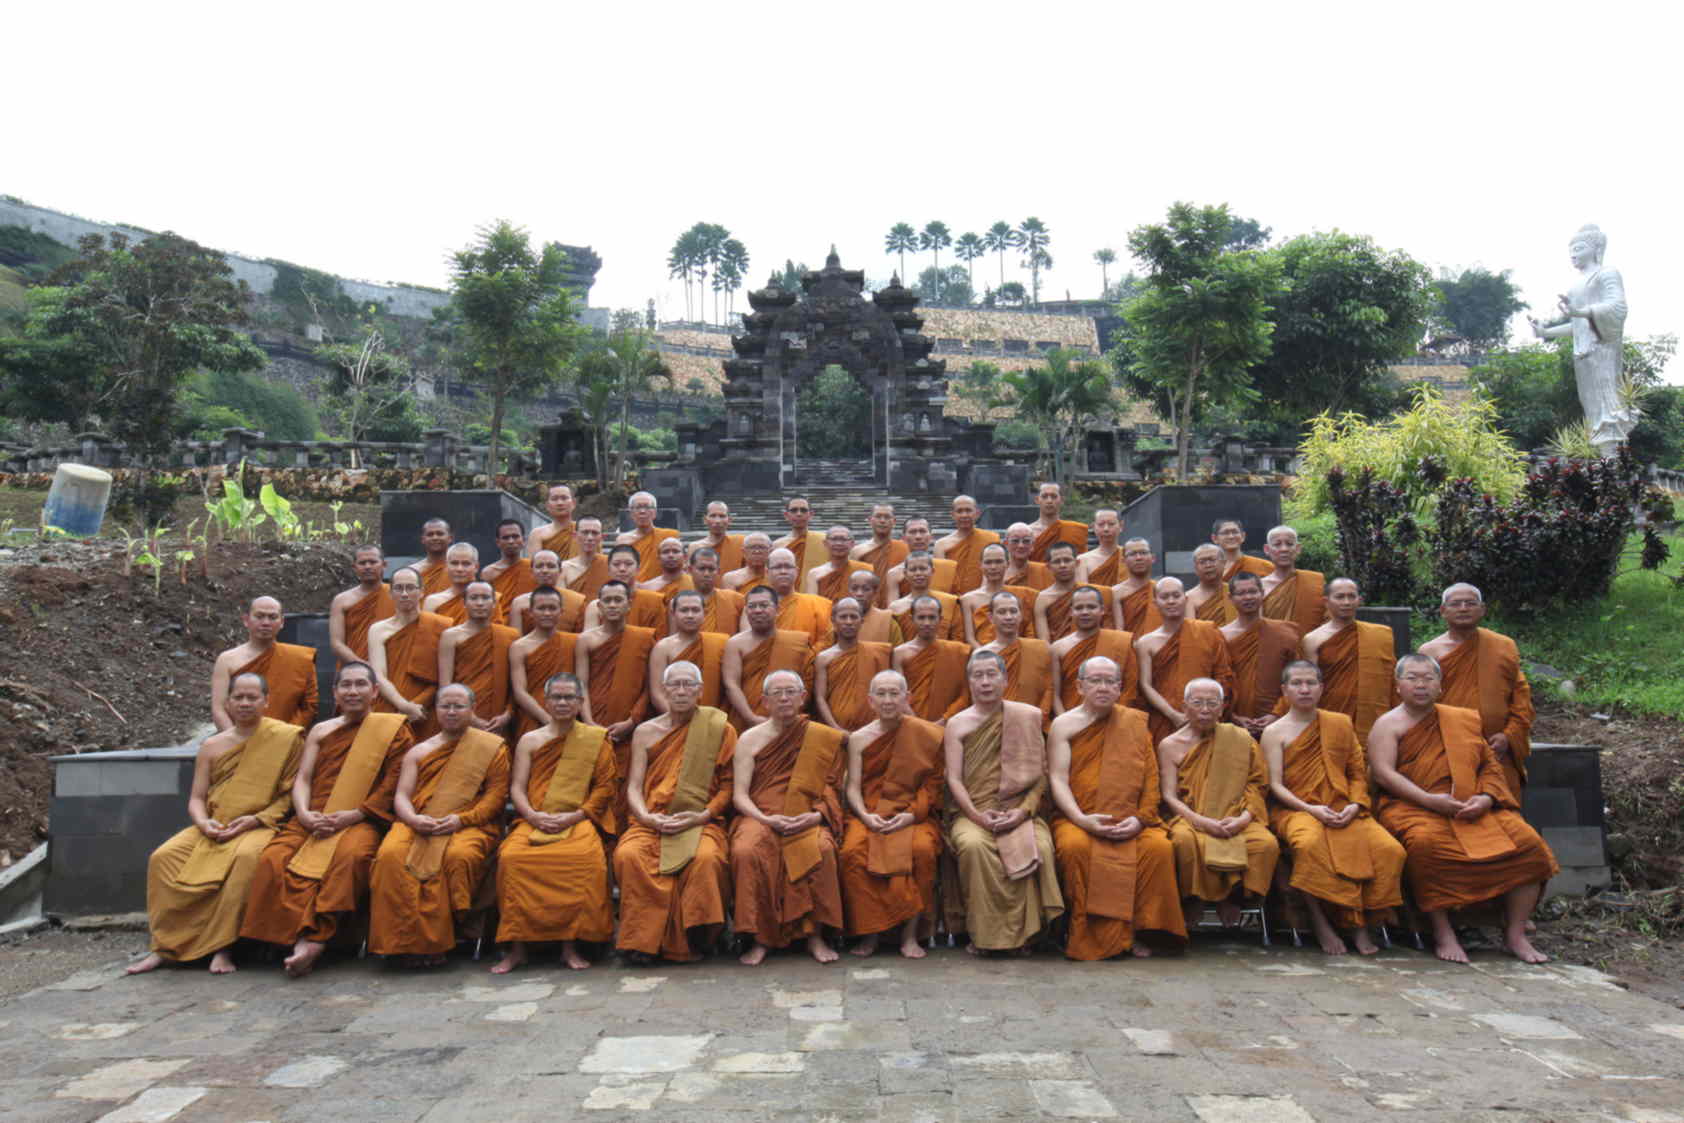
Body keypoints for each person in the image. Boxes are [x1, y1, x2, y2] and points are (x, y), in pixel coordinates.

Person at [1369, 654, 1558, 964]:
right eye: (1413, 678)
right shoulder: (1388, 724)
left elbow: (1488, 766)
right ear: (1398, 685)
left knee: (1529, 846)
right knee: (1424, 847)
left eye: (1428, 678)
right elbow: (1383, 774)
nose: (1421, 684)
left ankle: (1515, 934)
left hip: (1470, 805)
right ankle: (1443, 931)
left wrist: (1484, 799)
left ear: (1440, 686)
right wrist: (1430, 801)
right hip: (1413, 806)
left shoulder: (1462, 719)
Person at [238, 662, 413, 977]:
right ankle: (282, 938)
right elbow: (302, 779)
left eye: (361, 684)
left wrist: (356, 814)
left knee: (352, 856)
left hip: (362, 817)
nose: (353, 691)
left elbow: (393, 784)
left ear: (375, 692)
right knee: (274, 859)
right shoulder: (321, 730)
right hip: (313, 815)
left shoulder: (392, 730)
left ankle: (317, 937)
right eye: (345, 685)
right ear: (335, 692)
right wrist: (304, 813)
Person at [128, 673, 304, 975]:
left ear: (266, 701)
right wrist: (204, 823)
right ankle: (164, 946)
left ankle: (222, 948)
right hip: (214, 824)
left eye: (252, 698)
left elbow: (289, 798)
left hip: (259, 825)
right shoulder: (212, 746)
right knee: (163, 858)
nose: (245, 703)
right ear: (227, 702)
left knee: (246, 859)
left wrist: (255, 819)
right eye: (239, 697)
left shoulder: (285, 737)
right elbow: (196, 798)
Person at [1261, 660, 1406, 956]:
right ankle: (1321, 923)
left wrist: (1355, 805)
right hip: (1296, 811)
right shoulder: (1274, 732)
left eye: (1310, 683)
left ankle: (1362, 921)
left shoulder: (1339, 723)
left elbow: (1356, 772)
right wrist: (1311, 810)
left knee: (1391, 851)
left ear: (1321, 688)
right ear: (1284, 690)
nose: (1304, 689)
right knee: (1310, 846)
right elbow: (1275, 786)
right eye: (1297, 684)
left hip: (1346, 807)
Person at [1047, 656, 1185, 960]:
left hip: (1131, 819)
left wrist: (1140, 819)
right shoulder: (1064, 724)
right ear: (1080, 686)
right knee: (1074, 848)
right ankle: (1088, 933)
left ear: (1120, 687)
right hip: (1079, 817)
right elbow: (1057, 779)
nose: (1103, 687)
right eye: (1095, 680)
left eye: (1110, 681)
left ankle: (1137, 931)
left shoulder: (1135, 722)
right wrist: (1081, 819)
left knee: (1158, 849)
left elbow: (1151, 778)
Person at [368, 683, 510, 967]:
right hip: (417, 822)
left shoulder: (489, 747)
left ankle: (438, 940)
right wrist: (412, 819)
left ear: (473, 710)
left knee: (459, 856)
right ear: (436, 711)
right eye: (445, 706)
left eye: (459, 706)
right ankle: (400, 944)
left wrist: (461, 819)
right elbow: (402, 796)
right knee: (390, 856)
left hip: (470, 824)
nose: (452, 712)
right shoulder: (419, 751)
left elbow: (495, 798)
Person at [491, 673, 616, 973]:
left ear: (580, 702)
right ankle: (517, 947)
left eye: (569, 697)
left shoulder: (594, 738)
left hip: (577, 818)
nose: (562, 703)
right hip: (535, 819)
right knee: (511, 858)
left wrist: (576, 815)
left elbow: (604, 788)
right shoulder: (530, 740)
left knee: (586, 859)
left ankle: (569, 946)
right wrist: (532, 816)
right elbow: (517, 788)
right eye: (557, 698)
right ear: (546, 702)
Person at [615, 663, 738, 963]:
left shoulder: (718, 727)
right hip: (651, 821)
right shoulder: (646, 731)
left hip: (699, 821)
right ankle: (643, 943)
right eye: (675, 685)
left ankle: (698, 939)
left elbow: (727, 786)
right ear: (664, 689)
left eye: (688, 685)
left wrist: (702, 816)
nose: (681, 691)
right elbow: (633, 786)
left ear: (700, 690)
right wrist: (646, 817)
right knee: (628, 856)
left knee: (706, 859)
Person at [942, 651, 1063, 954]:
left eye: (991, 674)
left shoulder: (1026, 716)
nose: (985, 682)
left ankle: (1028, 936)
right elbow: (954, 780)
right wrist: (977, 816)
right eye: (978, 675)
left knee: (1041, 846)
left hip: (1020, 811)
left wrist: (1022, 813)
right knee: (973, 846)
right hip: (974, 813)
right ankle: (986, 938)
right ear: (969, 681)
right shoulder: (957, 724)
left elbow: (1040, 776)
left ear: (1004, 679)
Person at [730, 670, 846, 965]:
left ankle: (815, 936)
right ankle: (760, 939)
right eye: (777, 693)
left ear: (803, 698)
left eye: (791, 692)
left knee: (822, 849)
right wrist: (765, 820)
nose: (784, 698)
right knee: (747, 850)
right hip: (760, 815)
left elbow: (832, 789)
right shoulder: (749, 739)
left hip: (807, 815)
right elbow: (740, 795)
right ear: (764, 701)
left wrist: (816, 817)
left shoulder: (821, 737)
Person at [1157, 678, 1279, 930]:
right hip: (1191, 816)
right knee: (1184, 842)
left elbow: (1257, 785)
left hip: (1237, 815)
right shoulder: (1169, 745)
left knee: (1265, 844)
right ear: (1184, 706)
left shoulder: (1240, 738)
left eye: (1212, 703)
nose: (1205, 709)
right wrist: (1201, 821)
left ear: (1222, 708)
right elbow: (1169, 796)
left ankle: (1233, 899)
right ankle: (1196, 899)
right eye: (1198, 702)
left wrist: (1244, 818)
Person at [840, 670, 944, 958]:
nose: (888, 700)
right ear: (870, 701)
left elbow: (932, 786)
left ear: (907, 698)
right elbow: (853, 787)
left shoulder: (926, 734)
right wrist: (864, 815)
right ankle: (869, 934)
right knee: (852, 852)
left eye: (894, 693)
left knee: (921, 850)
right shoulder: (860, 739)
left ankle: (910, 936)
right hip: (870, 812)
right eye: (881, 694)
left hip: (913, 813)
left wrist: (911, 815)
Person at [1418, 583, 1534, 796]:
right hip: (1448, 746)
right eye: (1456, 604)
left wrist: (1508, 736)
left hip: (1497, 747)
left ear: (1482, 609)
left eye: (1470, 603)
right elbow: (1419, 702)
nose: (1463, 608)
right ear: (1443, 611)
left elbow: (1521, 698)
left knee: (1503, 810)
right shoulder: (1430, 651)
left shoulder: (1503, 646)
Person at [1529, 223, 1634, 456]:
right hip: (1583, 354)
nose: (1573, 253)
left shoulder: (1607, 273)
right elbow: (1578, 325)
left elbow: (1618, 307)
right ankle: (1606, 465)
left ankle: (1613, 464)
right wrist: (1546, 332)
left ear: (1596, 247)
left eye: (1579, 247)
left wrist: (1582, 311)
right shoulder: (1577, 282)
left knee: (1609, 407)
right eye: (1571, 249)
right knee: (1593, 409)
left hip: (1601, 349)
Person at [576, 581, 656, 819]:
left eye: (618, 600)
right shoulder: (586, 640)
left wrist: (632, 721)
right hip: (593, 725)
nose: (612, 605)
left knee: (626, 784)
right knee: (594, 782)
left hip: (631, 728)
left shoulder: (643, 638)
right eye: (607, 600)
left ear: (628, 605)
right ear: (599, 606)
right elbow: (580, 684)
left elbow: (649, 687)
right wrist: (589, 722)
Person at [1135, 578, 1236, 743]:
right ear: (1155, 603)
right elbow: (1145, 685)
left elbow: (1222, 675)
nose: (1171, 601)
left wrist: (1208, 711)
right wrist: (1173, 715)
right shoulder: (1145, 643)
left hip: (1206, 716)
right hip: (1164, 718)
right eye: (1165, 597)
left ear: (1186, 599)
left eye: (1176, 595)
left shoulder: (1207, 631)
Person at [1300, 577, 1396, 745]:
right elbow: (1310, 684)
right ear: (1326, 601)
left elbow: (1391, 680)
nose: (1346, 602)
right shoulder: (1313, 640)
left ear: (1359, 600)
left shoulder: (1379, 635)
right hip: (1332, 714)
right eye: (1340, 597)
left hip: (1374, 718)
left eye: (1351, 596)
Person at [210, 596, 317, 730]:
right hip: (240, 742)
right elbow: (219, 709)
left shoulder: (300, 658)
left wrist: (286, 737)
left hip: (287, 740)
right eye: (259, 616)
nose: (266, 622)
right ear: (246, 620)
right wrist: (237, 742)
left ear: (282, 622)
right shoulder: (227, 660)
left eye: (272, 617)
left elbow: (309, 706)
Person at [368, 568, 451, 738]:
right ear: (390, 593)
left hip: (427, 710)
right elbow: (378, 675)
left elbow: (444, 676)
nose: (405, 594)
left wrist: (418, 704)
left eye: (410, 587)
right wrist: (404, 706)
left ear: (422, 592)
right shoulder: (378, 630)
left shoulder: (439, 626)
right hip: (390, 705)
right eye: (399, 588)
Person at [945, 591, 1055, 719]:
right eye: (1002, 612)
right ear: (990, 617)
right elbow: (974, 695)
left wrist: (1039, 718)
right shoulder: (981, 654)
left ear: (1021, 615)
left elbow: (1049, 689)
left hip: (1032, 721)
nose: (1008, 617)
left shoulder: (1040, 648)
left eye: (1013, 611)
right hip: (992, 724)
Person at [722, 586, 815, 732]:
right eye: (752, 606)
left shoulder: (796, 643)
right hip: (745, 721)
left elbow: (807, 684)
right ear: (746, 611)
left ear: (778, 610)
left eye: (764, 605)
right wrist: (751, 718)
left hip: (789, 722)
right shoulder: (735, 644)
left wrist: (787, 716)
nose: (758, 610)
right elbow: (731, 683)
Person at [1220, 571, 1300, 738]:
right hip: (1232, 725)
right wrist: (1232, 716)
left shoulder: (1285, 633)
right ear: (1230, 598)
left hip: (1279, 722)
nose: (1248, 597)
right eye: (1241, 593)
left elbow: (1297, 679)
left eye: (1253, 592)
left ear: (1262, 593)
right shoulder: (1221, 636)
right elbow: (1218, 681)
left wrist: (1276, 714)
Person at [437, 581, 517, 735]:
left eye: (485, 598)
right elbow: (445, 685)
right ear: (464, 603)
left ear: (494, 603)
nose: (480, 603)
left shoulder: (510, 636)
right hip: (460, 715)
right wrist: (471, 718)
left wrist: (508, 715)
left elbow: (514, 684)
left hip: (499, 719)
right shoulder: (450, 636)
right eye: (474, 598)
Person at [1050, 586, 1137, 714]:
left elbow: (1129, 689)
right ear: (1071, 612)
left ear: (1102, 610)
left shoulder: (1120, 641)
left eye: (1091, 607)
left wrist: (1116, 719)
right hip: (1073, 719)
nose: (1085, 612)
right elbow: (1054, 694)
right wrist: (1066, 722)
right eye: (1079, 608)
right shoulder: (1058, 648)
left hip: (1114, 719)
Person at [814, 597, 893, 732]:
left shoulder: (877, 654)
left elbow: (885, 692)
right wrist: (836, 729)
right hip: (836, 730)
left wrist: (875, 727)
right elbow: (820, 697)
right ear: (833, 621)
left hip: (872, 729)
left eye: (853, 617)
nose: (848, 622)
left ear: (862, 621)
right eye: (843, 617)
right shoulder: (823, 658)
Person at [509, 587, 579, 739]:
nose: (547, 613)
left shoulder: (573, 642)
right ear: (531, 612)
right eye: (541, 608)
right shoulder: (519, 647)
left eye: (552, 608)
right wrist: (547, 719)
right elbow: (520, 691)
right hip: (532, 717)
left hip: (568, 716)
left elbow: (581, 684)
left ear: (561, 612)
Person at [893, 595, 971, 723]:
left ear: (940, 619)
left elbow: (965, 695)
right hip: (910, 724)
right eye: (921, 618)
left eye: (932, 617)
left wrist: (943, 721)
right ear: (911, 619)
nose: (927, 623)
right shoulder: (899, 653)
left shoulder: (957, 652)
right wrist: (920, 726)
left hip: (948, 724)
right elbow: (899, 694)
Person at [649, 588, 727, 712]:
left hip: (710, 719)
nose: (690, 615)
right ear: (673, 614)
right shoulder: (663, 648)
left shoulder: (720, 643)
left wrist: (707, 719)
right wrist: (679, 718)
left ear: (704, 613)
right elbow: (657, 694)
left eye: (695, 610)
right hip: (673, 720)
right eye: (684, 610)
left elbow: (726, 690)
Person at [328, 546, 394, 665]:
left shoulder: (396, 596)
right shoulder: (341, 600)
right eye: (362, 563)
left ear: (384, 565)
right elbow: (336, 643)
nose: (368, 566)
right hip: (352, 670)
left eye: (373, 562)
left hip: (391, 665)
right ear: (354, 567)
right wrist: (362, 665)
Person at [1035, 541, 1113, 642]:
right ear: (1049, 567)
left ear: (1077, 563)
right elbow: (1044, 641)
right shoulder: (1043, 599)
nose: (1063, 565)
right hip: (1060, 653)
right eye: (1057, 561)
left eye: (1067, 560)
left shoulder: (1096, 593)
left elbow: (1107, 631)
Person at [758, 546, 834, 648]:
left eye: (788, 567)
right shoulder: (756, 606)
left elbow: (827, 640)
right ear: (767, 573)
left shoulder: (819, 605)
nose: (783, 571)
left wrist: (805, 655)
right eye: (777, 567)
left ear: (796, 572)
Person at [960, 542, 1036, 645]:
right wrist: (985, 654)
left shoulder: (1022, 595)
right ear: (981, 566)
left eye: (998, 562)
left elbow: (1029, 633)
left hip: (1015, 654)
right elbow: (970, 638)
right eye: (988, 562)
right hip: (982, 656)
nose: (993, 567)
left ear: (1008, 564)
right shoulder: (968, 599)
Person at [584, 544, 667, 632]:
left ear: (638, 568)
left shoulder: (653, 602)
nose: (622, 569)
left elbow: (660, 639)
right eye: (616, 564)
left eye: (628, 564)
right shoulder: (596, 606)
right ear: (608, 569)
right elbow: (589, 641)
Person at [1260, 526, 1325, 637]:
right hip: (1272, 649)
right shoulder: (1259, 586)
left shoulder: (1314, 581)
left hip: (1309, 649)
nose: (1284, 549)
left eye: (1289, 544)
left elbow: (1328, 619)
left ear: (1298, 548)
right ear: (1267, 549)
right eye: (1277, 544)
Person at [887, 550, 963, 642]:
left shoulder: (949, 602)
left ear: (932, 571)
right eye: (913, 569)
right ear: (905, 574)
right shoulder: (896, 608)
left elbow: (958, 639)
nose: (918, 573)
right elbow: (894, 642)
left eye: (923, 569)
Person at [505, 550, 585, 636]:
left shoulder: (576, 601)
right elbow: (516, 640)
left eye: (551, 566)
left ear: (560, 571)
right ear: (531, 571)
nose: (545, 571)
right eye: (539, 566)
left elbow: (580, 639)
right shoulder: (519, 603)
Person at [426, 543, 505, 627]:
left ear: (476, 567)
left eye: (466, 564)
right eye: (454, 563)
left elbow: (496, 634)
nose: (459, 569)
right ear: (446, 566)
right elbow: (428, 637)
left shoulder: (492, 599)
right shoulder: (433, 602)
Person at [934, 494, 1000, 594]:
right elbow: (942, 581)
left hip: (984, 597)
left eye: (968, 510)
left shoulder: (991, 539)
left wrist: (980, 596)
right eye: (959, 511)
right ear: (952, 515)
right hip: (954, 600)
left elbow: (994, 571)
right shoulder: (941, 545)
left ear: (977, 513)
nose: (964, 515)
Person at [851, 503, 908, 606]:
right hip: (868, 606)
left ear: (894, 521)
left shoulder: (904, 548)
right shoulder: (858, 551)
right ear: (870, 520)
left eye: (887, 517)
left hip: (898, 604)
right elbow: (855, 584)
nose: (882, 521)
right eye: (878, 516)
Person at [886, 517, 957, 598]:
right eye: (912, 532)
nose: (918, 537)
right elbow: (894, 609)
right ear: (904, 538)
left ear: (931, 537)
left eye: (922, 531)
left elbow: (952, 604)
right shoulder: (894, 574)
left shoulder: (947, 568)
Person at [618, 491, 680, 581]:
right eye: (638, 507)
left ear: (654, 512)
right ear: (631, 513)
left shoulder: (669, 536)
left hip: (663, 587)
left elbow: (679, 565)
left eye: (647, 507)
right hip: (634, 589)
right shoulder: (622, 540)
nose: (642, 511)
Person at [481, 520, 536, 619]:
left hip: (530, 624)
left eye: (515, 536)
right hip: (501, 625)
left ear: (523, 540)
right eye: (506, 538)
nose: (511, 541)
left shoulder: (533, 567)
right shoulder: (489, 573)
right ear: (498, 542)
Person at [685, 546, 744, 636]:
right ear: (690, 570)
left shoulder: (735, 600)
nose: (706, 574)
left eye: (711, 569)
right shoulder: (680, 602)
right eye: (701, 568)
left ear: (718, 571)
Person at [1111, 538, 1163, 635]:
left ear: (1153, 558)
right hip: (1129, 647)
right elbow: (1119, 630)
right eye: (1132, 554)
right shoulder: (1116, 592)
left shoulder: (1162, 590)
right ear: (1123, 560)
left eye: (1143, 553)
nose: (1138, 558)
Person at [804, 525, 870, 601]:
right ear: (825, 543)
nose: (839, 543)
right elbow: (812, 604)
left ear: (852, 544)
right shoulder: (815, 574)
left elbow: (870, 600)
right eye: (834, 539)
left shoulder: (864, 570)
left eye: (844, 539)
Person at [773, 495, 826, 588]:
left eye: (803, 510)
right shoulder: (777, 545)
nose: (799, 514)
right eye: (794, 510)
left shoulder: (823, 541)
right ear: (786, 515)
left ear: (811, 515)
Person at [1027, 482, 1088, 562]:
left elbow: (1082, 562)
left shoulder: (1075, 530)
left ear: (1062, 500)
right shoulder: (1028, 532)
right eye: (1044, 496)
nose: (1049, 501)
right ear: (1037, 500)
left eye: (1054, 496)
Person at [561, 517, 611, 601]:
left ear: (602, 537)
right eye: (585, 532)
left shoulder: (610, 565)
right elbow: (562, 602)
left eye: (595, 533)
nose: (590, 538)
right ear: (575, 536)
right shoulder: (563, 568)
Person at [1186, 544, 1236, 625]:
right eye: (1202, 562)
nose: (1208, 565)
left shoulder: (1235, 591)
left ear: (1224, 563)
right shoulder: (1188, 598)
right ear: (1195, 568)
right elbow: (1192, 632)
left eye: (1212, 560)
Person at [849, 570, 902, 645]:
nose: (859, 593)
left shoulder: (886, 621)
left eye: (866, 589)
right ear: (848, 591)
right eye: (854, 589)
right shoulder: (838, 620)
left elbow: (897, 653)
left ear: (875, 593)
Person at [639, 535, 694, 609]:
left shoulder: (695, 583)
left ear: (685, 557)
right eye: (665, 552)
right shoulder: (647, 587)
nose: (670, 555)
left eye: (675, 551)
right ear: (658, 558)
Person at [530, 484, 580, 560]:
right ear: (547, 506)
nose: (560, 503)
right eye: (554, 499)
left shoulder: (583, 530)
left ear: (573, 503)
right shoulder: (538, 534)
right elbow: (534, 566)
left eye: (564, 498)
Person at [692, 500, 744, 574]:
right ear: (705, 520)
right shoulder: (695, 547)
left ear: (729, 520)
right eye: (713, 516)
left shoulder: (739, 543)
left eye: (722, 516)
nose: (717, 521)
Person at [1212, 519, 1272, 583]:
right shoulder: (1210, 568)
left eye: (1235, 532)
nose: (1231, 536)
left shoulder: (1264, 566)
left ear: (1243, 536)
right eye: (1225, 533)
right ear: (1215, 538)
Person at [1074, 509, 1123, 586]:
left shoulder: (1130, 556)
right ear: (1093, 527)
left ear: (1121, 526)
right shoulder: (1082, 560)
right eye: (1101, 524)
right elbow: (1083, 593)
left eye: (1111, 524)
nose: (1106, 529)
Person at [1002, 523, 1052, 591]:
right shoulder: (998, 572)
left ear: (1033, 545)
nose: (1021, 545)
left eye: (1026, 541)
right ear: (1006, 544)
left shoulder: (1045, 570)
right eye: (1015, 541)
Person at [414, 518, 454, 597]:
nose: (435, 538)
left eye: (440, 534)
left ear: (450, 538)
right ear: (423, 539)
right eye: (430, 534)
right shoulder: (414, 572)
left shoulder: (460, 570)